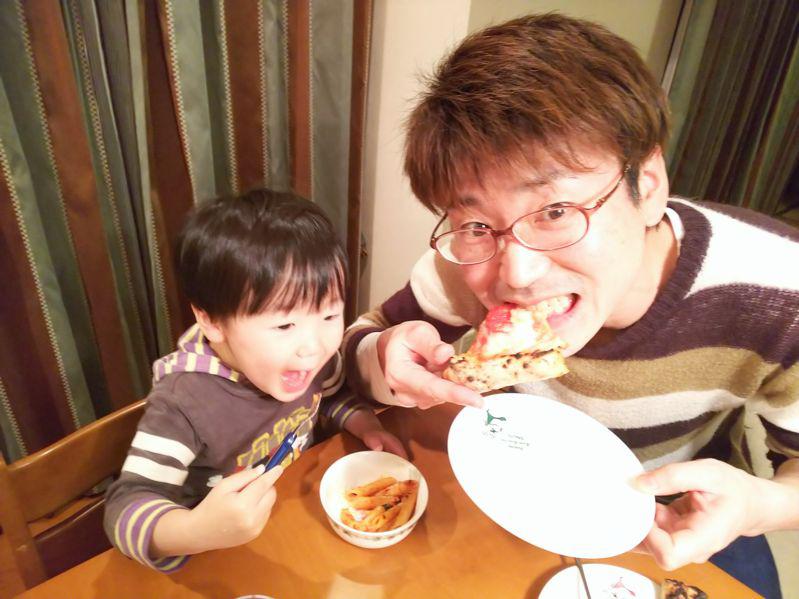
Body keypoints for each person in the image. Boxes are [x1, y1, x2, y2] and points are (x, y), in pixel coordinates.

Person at [342, 13, 799, 598]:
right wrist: (380, 360)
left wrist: (761, 505)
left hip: (684, 513)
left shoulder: (777, 292)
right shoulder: (463, 265)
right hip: (510, 484)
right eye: (476, 223)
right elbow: (363, 340)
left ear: (648, 185)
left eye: (555, 211)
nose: (517, 274)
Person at [104, 189, 404, 572]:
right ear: (211, 321)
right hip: (213, 552)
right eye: (284, 325)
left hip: (293, 515)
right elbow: (123, 508)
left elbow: (328, 394)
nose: (314, 348)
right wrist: (194, 531)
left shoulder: (307, 359)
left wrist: (364, 423)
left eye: (330, 316)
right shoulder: (185, 403)